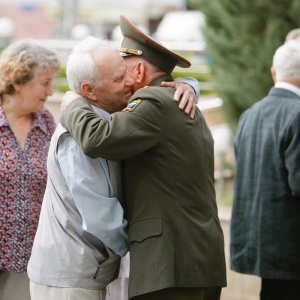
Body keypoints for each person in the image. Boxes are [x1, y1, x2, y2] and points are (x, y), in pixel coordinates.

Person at [60, 15, 227, 300]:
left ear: (138, 69)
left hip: (170, 263)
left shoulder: (153, 103)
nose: (120, 78)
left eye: (120, 70)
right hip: (198, 260)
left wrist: (73, 104)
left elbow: (97, 137)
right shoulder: (178, 103)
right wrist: (188, 83)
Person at [27, 36, 199, 300]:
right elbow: (101, 219)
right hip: (69, 279)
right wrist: (147, 247)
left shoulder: (107, 121)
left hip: (83, 273)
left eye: (125, 73)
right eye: (118, 79)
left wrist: (188, 86)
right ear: (89, 91)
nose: (130, 82)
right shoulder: (80, 136)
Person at [230, 40, 300, 300]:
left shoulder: (251, 113)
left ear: (274, 73)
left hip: (258, 243)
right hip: (291, 249)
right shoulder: (298, 113)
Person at [0, 41, 60, 300]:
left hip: (31, 256)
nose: (50, 92)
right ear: (18, 80)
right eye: (45, 82)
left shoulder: (46, 122)